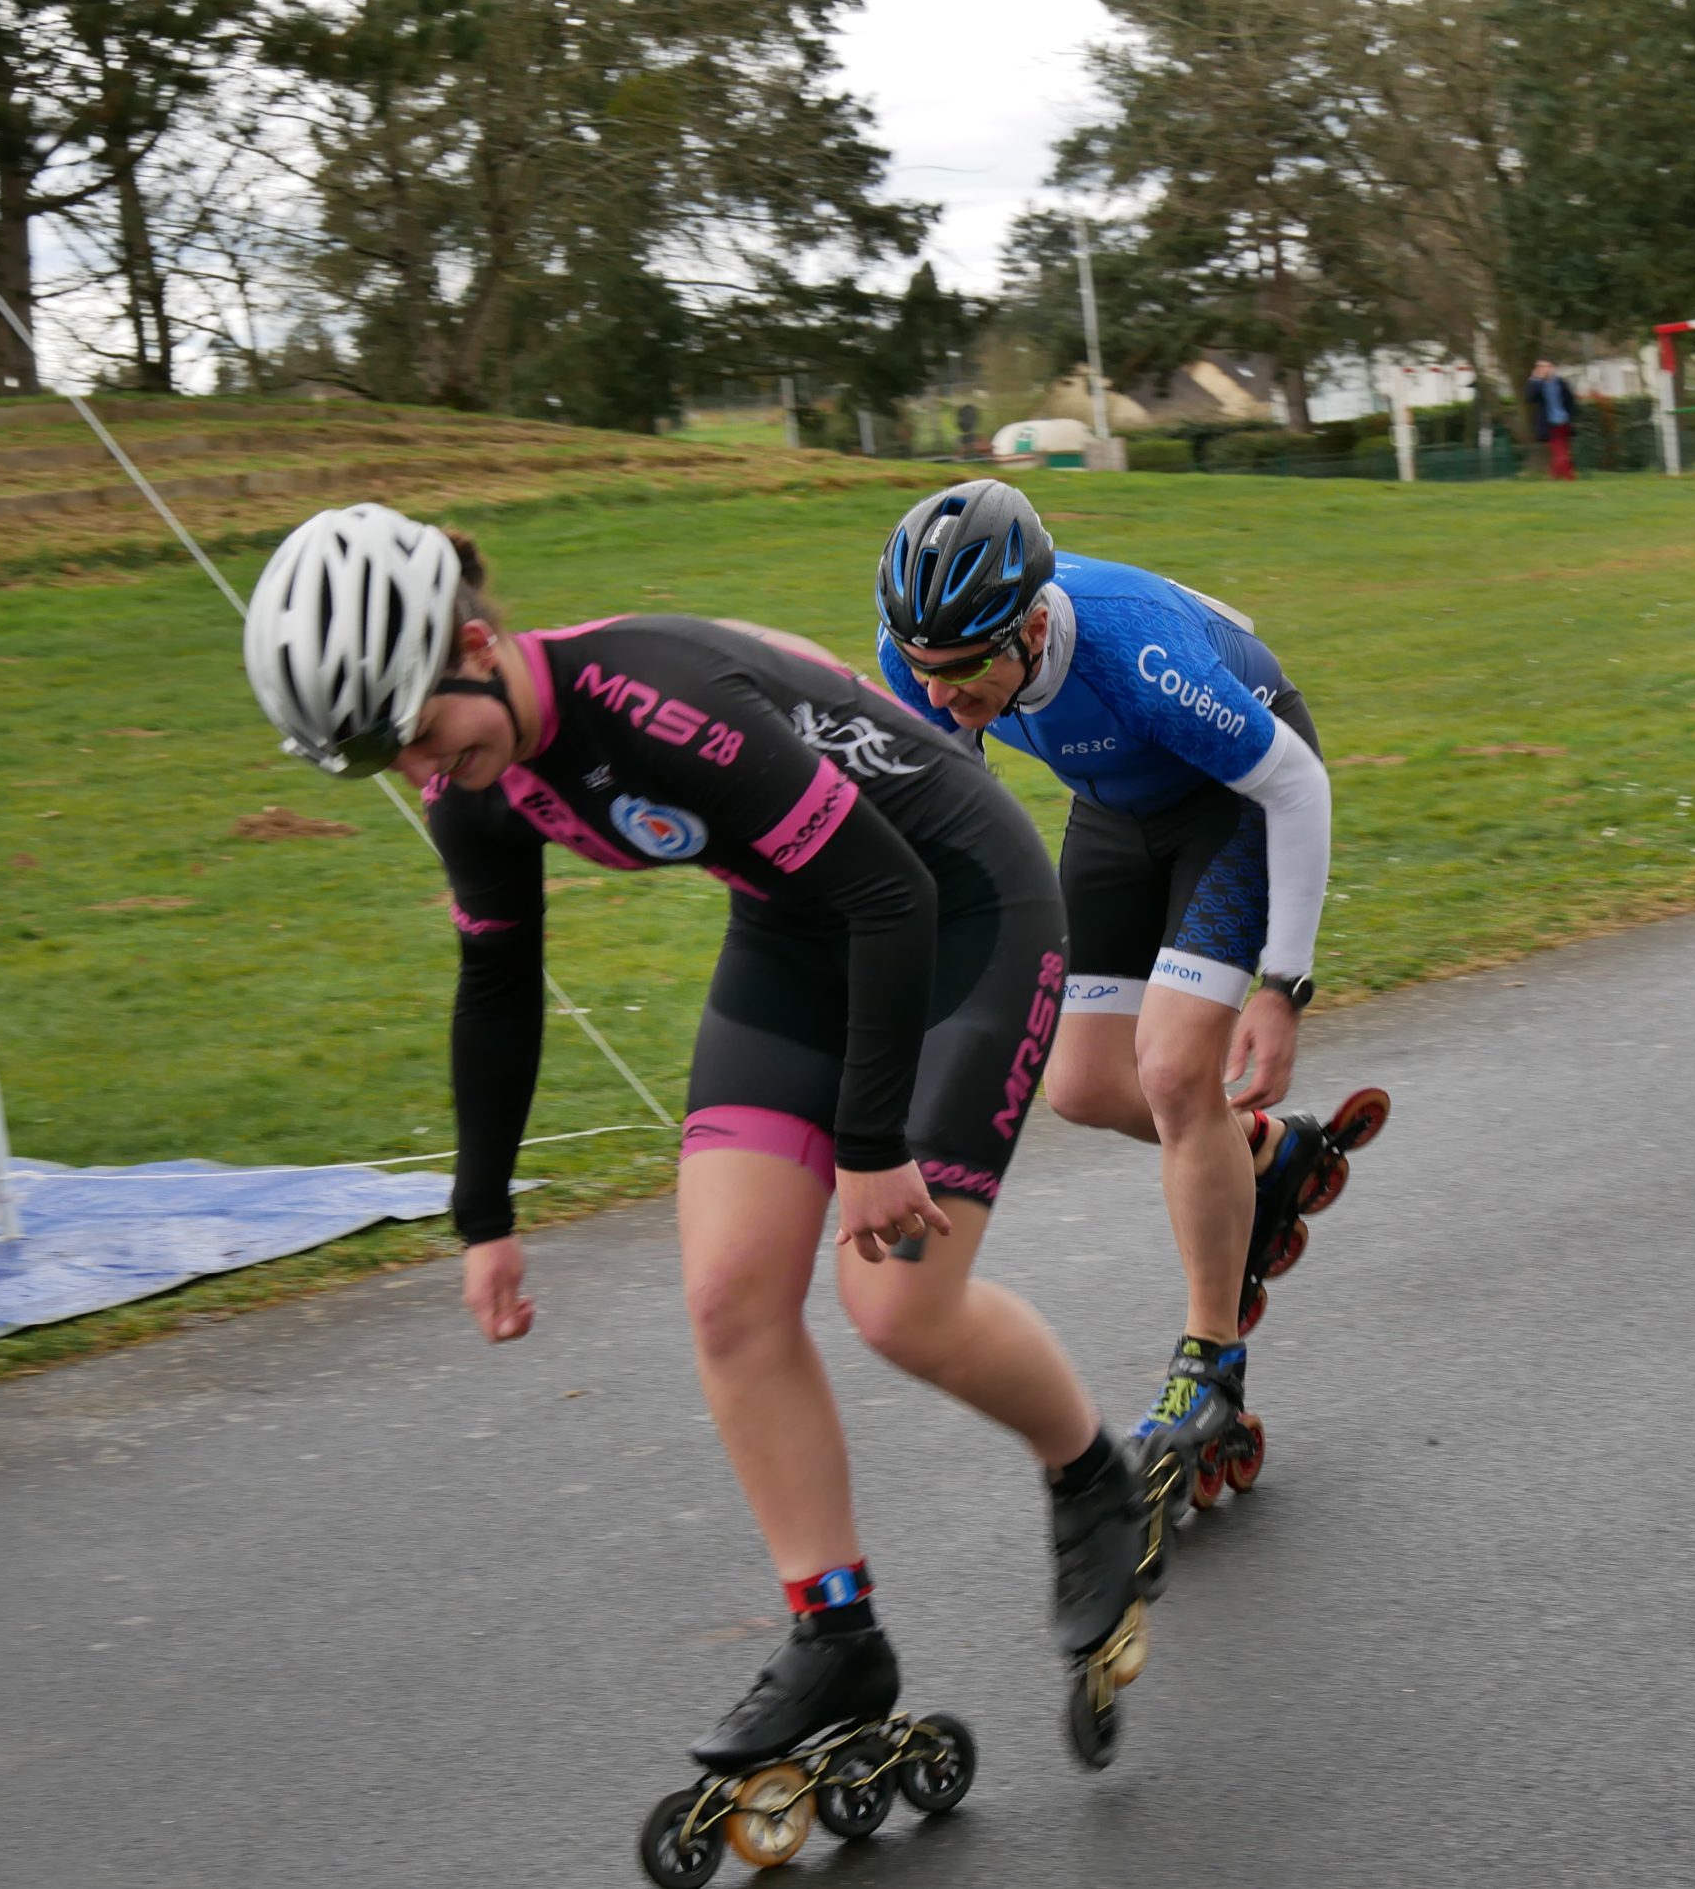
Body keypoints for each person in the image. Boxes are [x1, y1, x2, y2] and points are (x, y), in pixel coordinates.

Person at [240, 503, 1151, 1783]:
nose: (425, 773)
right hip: (798, 923)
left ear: (477, 647)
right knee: (729, 1294)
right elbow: (497, 985)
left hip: (956, 906)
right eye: (391, 760)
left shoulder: (649, 696)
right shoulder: (471, 786)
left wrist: (868, 1139)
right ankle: (835, 1632)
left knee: (896, 1303)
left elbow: (888, 889)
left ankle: (1091, 1473)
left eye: (424, 735)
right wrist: (484, 1215)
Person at [867, 479, 1386, 1522]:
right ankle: (1266, 1156)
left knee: (1174, 1071)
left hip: (1233, 800)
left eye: (963, 671)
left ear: (1030, 627)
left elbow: (1294, 786)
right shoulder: (921, 661)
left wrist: (1283, 984)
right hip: (1114, 813)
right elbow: (950, 822)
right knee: (1084, 1085)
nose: (937, 693)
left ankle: (1209, 1369)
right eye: (921, 667)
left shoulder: (1136, 654)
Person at [1526, 359, 1578, 480]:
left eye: (1547, 367)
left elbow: (1570, 399)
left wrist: (1571, 415)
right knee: (1559, 451)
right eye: (1542, 368)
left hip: (1564, 421)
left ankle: (1553, 476)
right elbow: (1530, 398)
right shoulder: (1538, 385)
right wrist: (1535, 379)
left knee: (1562, 451)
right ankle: (1569, 477)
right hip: (1550, 423)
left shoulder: (1560, 382)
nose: (1545, 370)